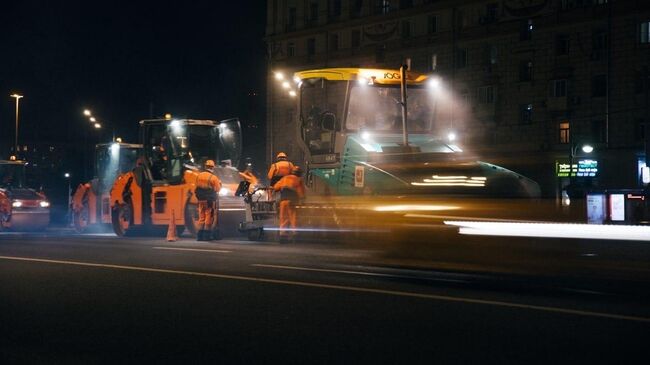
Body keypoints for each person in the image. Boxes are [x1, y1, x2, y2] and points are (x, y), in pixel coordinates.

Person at [273, 165, 306, 242]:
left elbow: (275, 187)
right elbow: (301, 192)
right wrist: (302, 200)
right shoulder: (298, 179)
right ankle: (295, 234)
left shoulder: (285, 178)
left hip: (283, 200)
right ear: (299, 173)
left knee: (283, 217)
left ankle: (283, 235)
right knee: (292, 217)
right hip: (291, 201)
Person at [194, 159, 222, 241]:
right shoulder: (213, 177)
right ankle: (207, 236)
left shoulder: (199, 175)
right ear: (213, 167)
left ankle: (199, 236)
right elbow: (217, 189)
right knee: (209, 217)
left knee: (201, 217)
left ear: (205, 166)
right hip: (209, 200)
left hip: (200, 199)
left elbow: (196, 186)